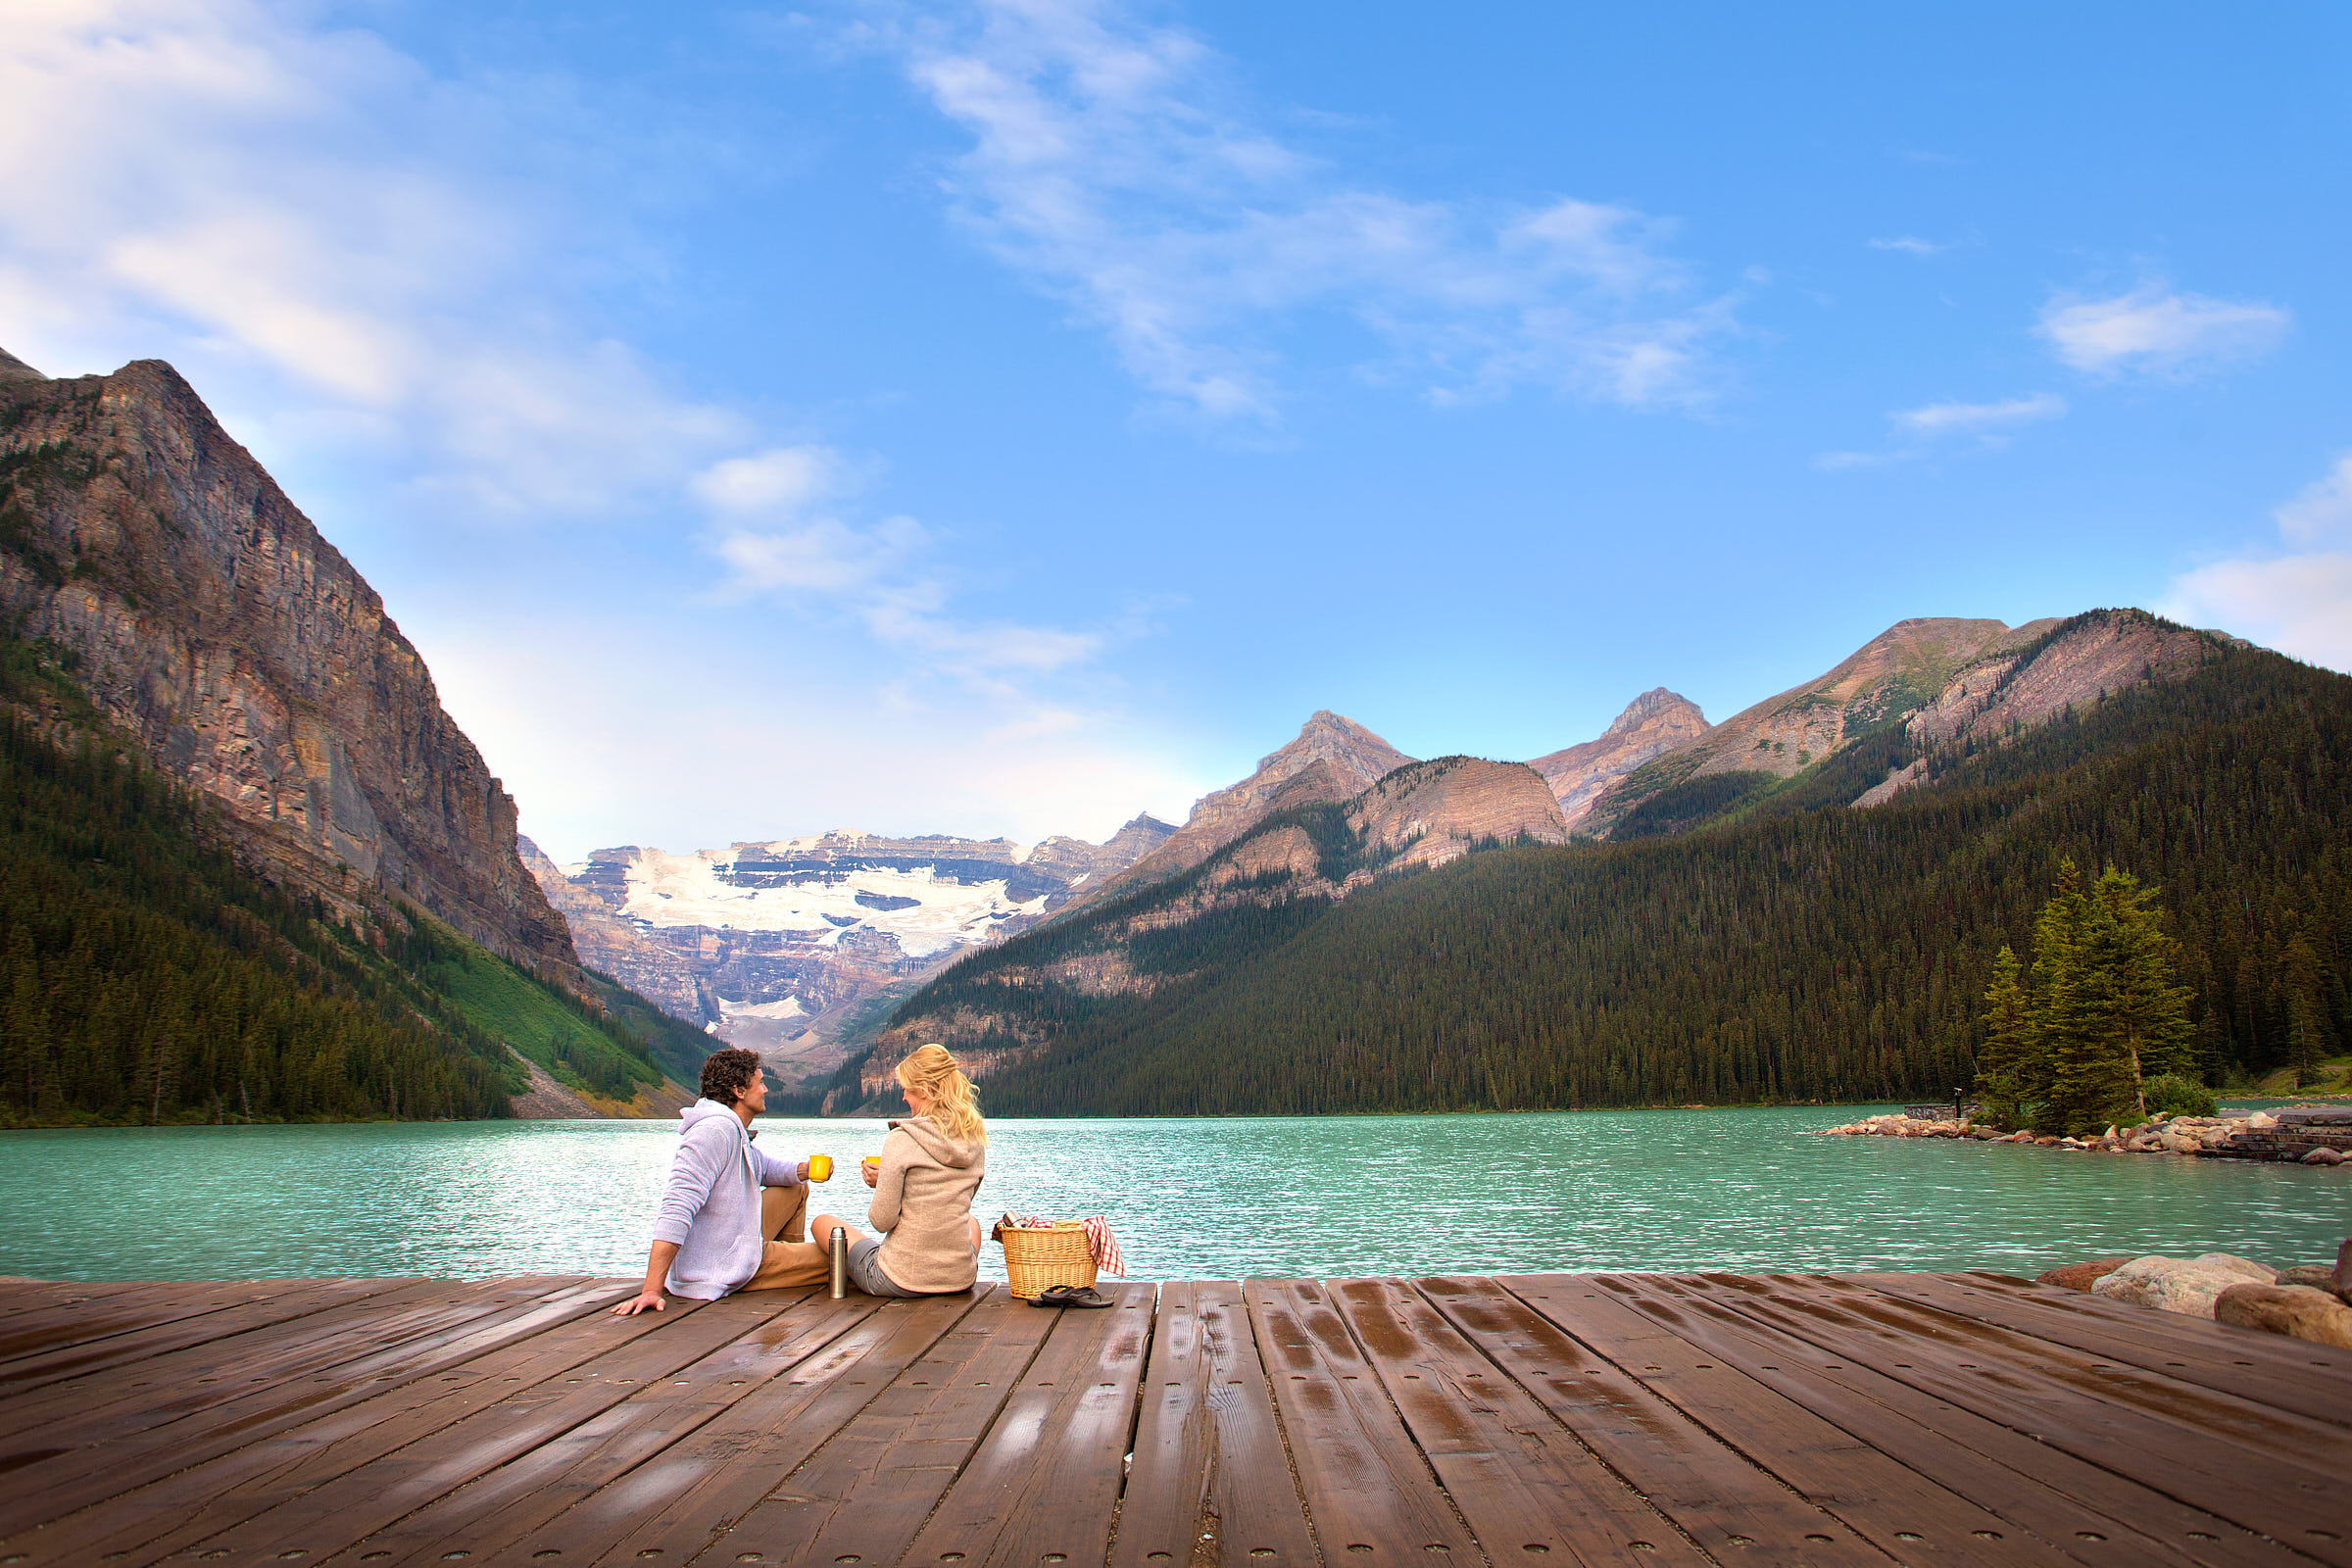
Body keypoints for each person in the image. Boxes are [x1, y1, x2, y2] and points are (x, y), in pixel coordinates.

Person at [612, 1047, 827, 1315]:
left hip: (735, 1247)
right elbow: (677, 1207)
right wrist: (652, 1290)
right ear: (739, 1091)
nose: (765, 1091)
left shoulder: (732, 1129)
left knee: (796, 1187)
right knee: (840, 1259)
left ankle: (785, 1264)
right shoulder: (714, 1131)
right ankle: (783, 1269)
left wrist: (804, 1170)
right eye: (760, 1083)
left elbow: (763, 1167)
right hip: (719, 1268)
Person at [811, 1044, 986, 1298]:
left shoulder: (901, 1139)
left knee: (822, 1223)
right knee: (972, 1222)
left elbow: (882, 1221)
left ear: (924, 1090)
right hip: (960, 1279)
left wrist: (884, 1184)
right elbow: (949, 1203)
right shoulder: (975, 1140)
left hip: (901, 1279)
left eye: (906, 1089)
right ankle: (949, 1275)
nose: (903, 1097)